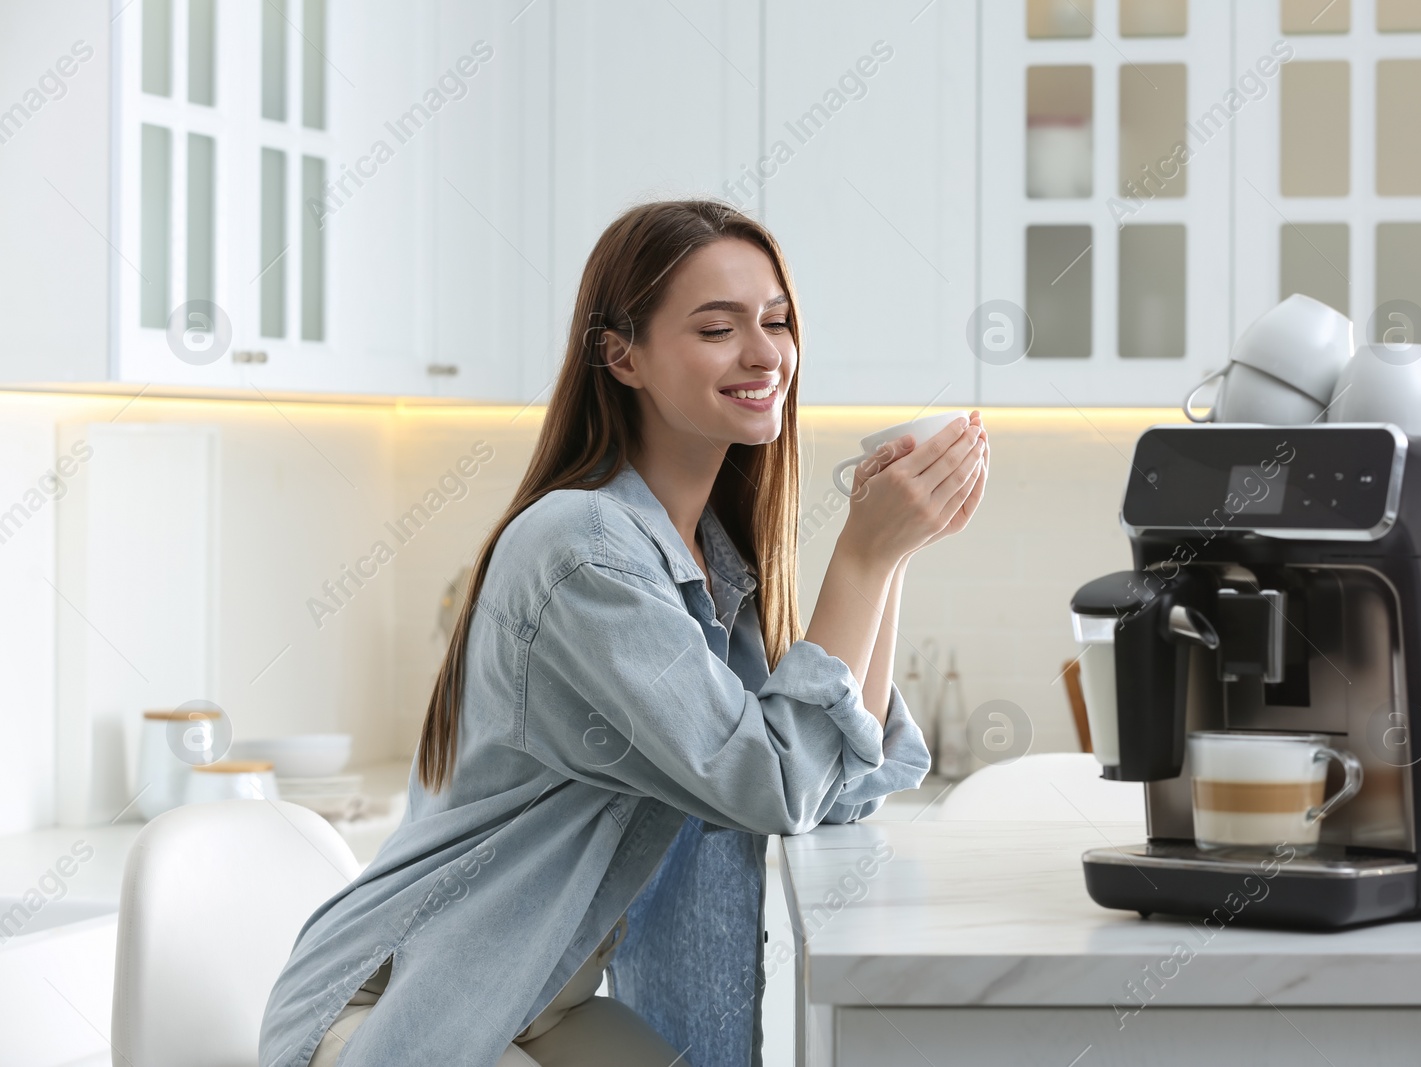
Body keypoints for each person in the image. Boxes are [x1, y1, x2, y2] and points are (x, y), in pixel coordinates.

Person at [258, 199, 989, 1067]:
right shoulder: (580, 548)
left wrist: (895, 555)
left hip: (536, 1001)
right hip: (401, 1008)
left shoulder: (714, 560)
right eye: (717, 328)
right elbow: (771, 783)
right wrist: (862, 559)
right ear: (622, 355)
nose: (765, 354)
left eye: (778, 321)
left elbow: (837, 783)